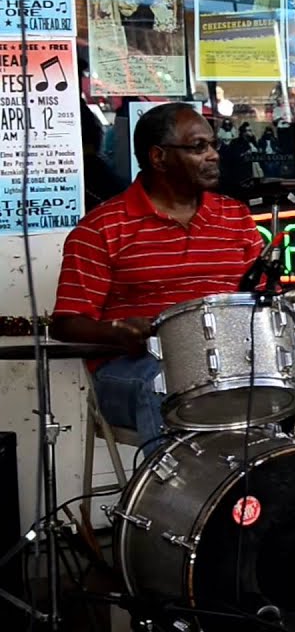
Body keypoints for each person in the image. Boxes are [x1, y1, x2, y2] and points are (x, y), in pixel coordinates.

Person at [51, 103, 264, 454]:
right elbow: (65, 324)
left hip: (228, 363)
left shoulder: (235, 216)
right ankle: (179, 488)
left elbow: (264, 299)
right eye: (198, 147)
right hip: (134, 370)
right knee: (166, 385)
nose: (213, 155)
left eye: (213, 145)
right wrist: (117, 331)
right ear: (158, 157)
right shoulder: (101, 228)